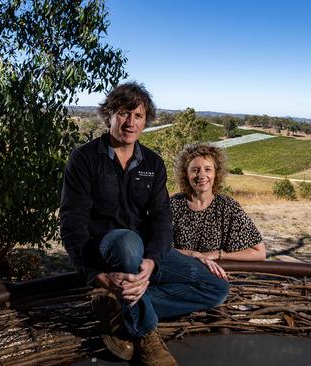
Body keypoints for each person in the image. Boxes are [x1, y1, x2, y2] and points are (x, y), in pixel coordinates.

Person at [59, 83, 228, 366]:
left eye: (138, 116)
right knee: (126, 241)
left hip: (143, 258)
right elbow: (72, 223)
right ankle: (147, 338)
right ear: (109, 115)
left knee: (215, 287)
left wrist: (151, 261)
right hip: (105, 251)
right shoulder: (84, 159)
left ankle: (118, 305)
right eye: (124, 113)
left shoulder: (153, 162)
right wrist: (97, 277)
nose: (131, 122)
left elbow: (162, 220)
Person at [171, 143, 266, 280]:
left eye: (208, 169)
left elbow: (259, 252)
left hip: (216, 283)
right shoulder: (173, 204)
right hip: (179, 278)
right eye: (195, 170)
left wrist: (219, 254)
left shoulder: (228, 207)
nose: (202, 175)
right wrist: (193, 254)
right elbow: (158, 248)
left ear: (216, 173)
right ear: (185, 174)